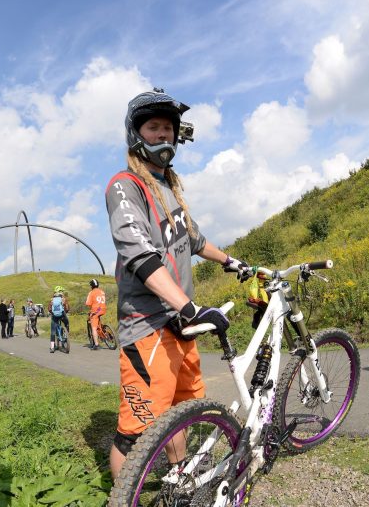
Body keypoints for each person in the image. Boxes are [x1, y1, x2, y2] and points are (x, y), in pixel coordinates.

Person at [105, 88, 252, 479]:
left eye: (168, 129)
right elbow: (140, 255)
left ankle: (179, 478)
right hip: (148, 326)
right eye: (154, 128)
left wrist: (233, 262)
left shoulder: (169, 187)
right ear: (137, 134)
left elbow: (196, 240)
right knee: (134, 435)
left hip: (181, 325)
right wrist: (188, 306)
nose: (163, 136)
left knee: (180, 412)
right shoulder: (127, 186)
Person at [84, 278, 107, 350]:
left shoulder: (91, 293)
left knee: (93, 328)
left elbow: (88, 303)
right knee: (98, 322)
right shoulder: (102, 291)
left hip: (95, 311)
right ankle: (103, 332)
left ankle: (96, 345)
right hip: (103, 309)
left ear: (91, 286)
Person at [48, 287, 70, 353]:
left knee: (52, 331)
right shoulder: (63, 299)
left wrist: (53, 313)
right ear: (60, 292)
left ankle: (52, 347)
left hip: (54, 316)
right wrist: (64, 312)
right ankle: (66, 336)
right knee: (67, 323)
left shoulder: (52, 299)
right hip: (62, 315)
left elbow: (49, 309)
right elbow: (67, 308)